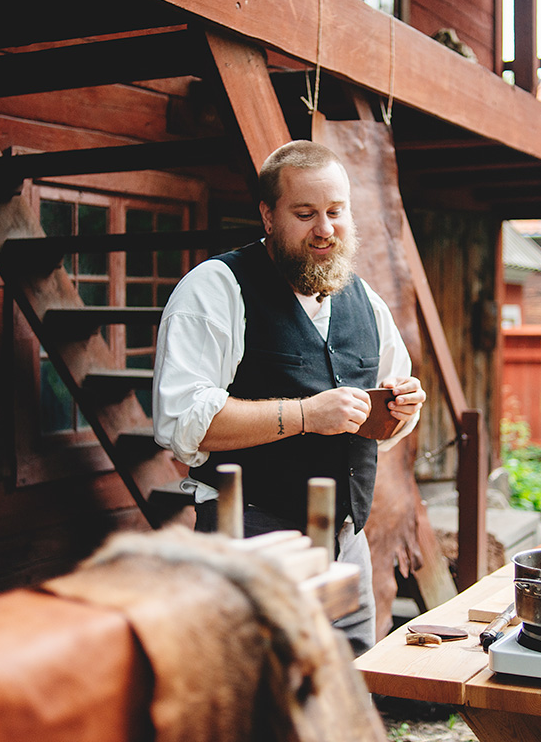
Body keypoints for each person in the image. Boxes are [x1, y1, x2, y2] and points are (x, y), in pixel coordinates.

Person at [152, 140, 426, 656]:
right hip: (248, 536)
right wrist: (304, 415)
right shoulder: (216, 288)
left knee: (344, 700)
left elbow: (382, 427)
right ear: (268, 215)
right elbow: (182, 422)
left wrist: (401, 409)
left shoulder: (366, 302)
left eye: (335, 212)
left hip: (348, 543)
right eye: (305, 213)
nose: (324, 228)